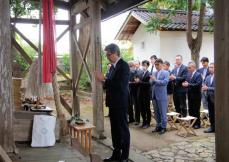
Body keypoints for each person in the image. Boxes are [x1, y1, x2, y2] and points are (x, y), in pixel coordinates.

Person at [95, 43, 130, 162]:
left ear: (115, 53)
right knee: (114, 129)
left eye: (108, 55)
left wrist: (104, 79)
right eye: (106, 55)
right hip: (113, 103)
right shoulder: (111, 67)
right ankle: (116, 153)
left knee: (122, 129)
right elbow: (109, 84)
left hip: (121, 103)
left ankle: (124, 156)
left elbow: (120, 85)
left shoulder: (124, 66)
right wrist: (104, 81)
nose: (107, 57)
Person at [151, 58, 169, 134]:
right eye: (155, 64)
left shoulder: (166, 72)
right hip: (154, 94)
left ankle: (164, 127)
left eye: (157, 64)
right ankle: (158, 125)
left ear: (161, 64)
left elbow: (165, 82)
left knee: (163, 112)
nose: (156, 66)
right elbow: (151, 83)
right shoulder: (154, 73)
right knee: (156, 112)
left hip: (161, 95)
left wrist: (155, 80)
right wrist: (151, 81)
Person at [182, 61, 202, 129]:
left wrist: (188, 84)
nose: (188, 69)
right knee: (190, 110)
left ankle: (197, 124)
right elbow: (187, 82)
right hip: (189, 95)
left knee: (196, 110)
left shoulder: (198, 75)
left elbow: (198, 85)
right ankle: (192, 123)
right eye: (188, 67)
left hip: (196, 96)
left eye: (189, 68)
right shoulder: (188, 74)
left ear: (194, 67)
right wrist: (185, 84)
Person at [202, 63, 215, 133]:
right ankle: (212, 127)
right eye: (209, 67)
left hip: (217, 99)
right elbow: (204, 85)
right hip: (209, 98)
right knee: (211, 114)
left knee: (217, 114)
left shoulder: (219, 77)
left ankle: (218, 127)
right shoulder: (207, 77)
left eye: (212, 67)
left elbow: (219, 88)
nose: (210, 69)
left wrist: (208, 88)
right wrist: (203, 87)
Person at [139, 60, 151, 128]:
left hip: (146, 94)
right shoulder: (141, 73)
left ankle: (148, 123)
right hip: (140, 93)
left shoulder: (149, 74)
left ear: (147, 66)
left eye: (145, 65)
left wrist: (140, 82)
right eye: (143, 65)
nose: (144, 66)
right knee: (142, 108)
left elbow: (148, 84)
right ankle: (144, 122)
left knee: (147, 109)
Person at [132, 60, 143, 125]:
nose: (135, 65)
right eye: (134, 64)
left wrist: (138, 81)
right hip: (134, 90)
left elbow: (141, 80)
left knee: (140, 105)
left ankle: (142, 119)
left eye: (136, 64)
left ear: (139, 64)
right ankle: (137, 120)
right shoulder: (133, 71)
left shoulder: (141, 71)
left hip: (139, 90)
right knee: (136, 106)